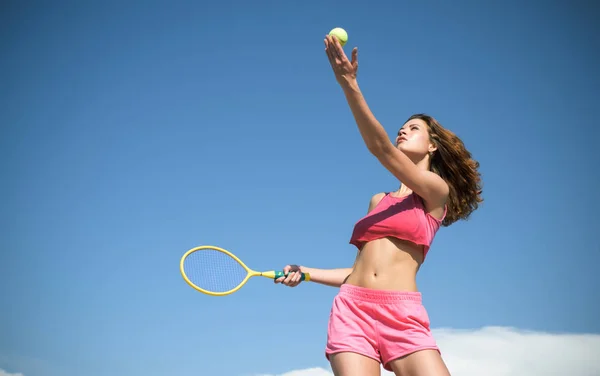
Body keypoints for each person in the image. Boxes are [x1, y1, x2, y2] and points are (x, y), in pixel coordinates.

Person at [275, 35, 483, 375]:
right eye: (401, 128)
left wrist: (349, 84)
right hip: (353, 310)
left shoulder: (435, 193)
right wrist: (308, 273)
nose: (402, 131)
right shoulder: (379, 201)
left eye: (413, 129)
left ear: (432, 147)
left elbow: (381, 149)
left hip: (402, 315)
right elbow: (359, 272)